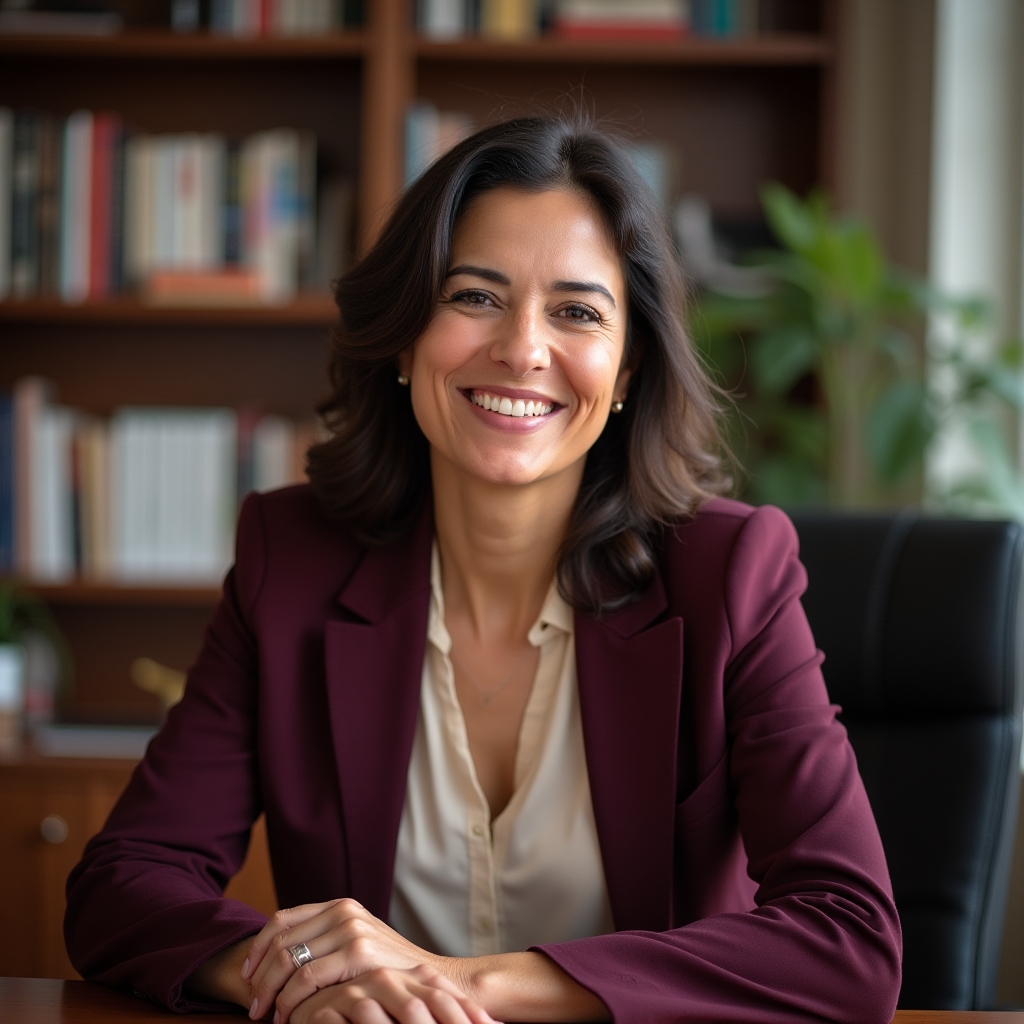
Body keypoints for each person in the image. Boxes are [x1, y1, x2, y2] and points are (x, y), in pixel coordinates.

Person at [65, 116, 902, 1024]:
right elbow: (123, 884)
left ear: (627, 370)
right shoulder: (291, 563)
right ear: (403, 335)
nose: (522, 349)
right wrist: (305, 975)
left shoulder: (731, 575)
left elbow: (848, 938)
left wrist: (461, 982)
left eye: (578, 312)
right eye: (475, 296)